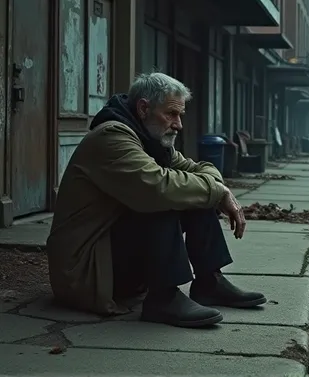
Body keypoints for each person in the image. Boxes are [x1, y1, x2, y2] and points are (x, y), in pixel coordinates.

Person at [47, 72, 266, 328]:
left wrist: (218, 189)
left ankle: (209, 283)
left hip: (114, 259)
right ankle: (163, 298)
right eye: (171, 114)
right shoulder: (112, 138)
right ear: (143, 108)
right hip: (85, 270)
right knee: (164, 196)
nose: (179, 124)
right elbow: (156, 188)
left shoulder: (150, 140)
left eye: (180, 115)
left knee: (193, 191)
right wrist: (218, 191)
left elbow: (198, 170)